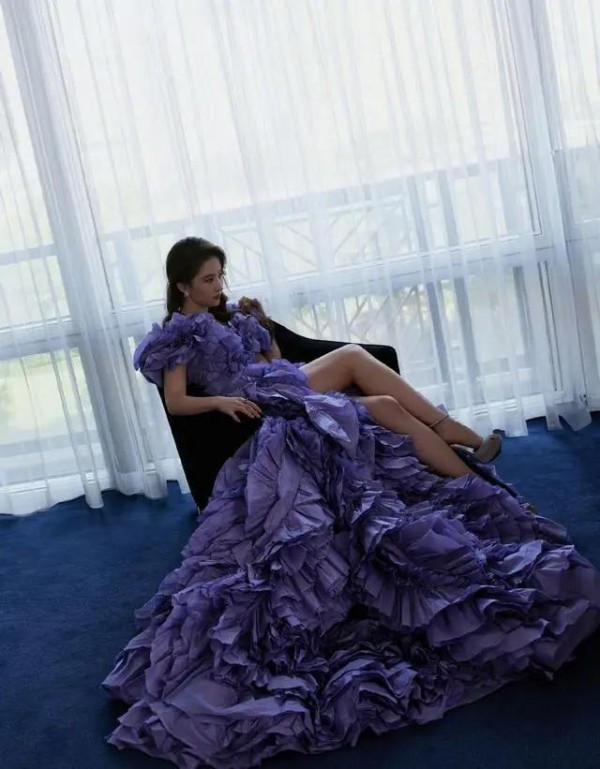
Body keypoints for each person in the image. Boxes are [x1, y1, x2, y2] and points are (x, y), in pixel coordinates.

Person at [103, 237, 600, 769]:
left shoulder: (228, 315)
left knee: (383, 403)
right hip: (259, 405)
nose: (219, 286)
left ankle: (479, 472)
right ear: (182, 285)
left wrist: (261, 331)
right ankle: (454, 432)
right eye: (208, 279)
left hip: (278, 385)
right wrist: (222, 400)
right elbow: (177, 401)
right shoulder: (177, 334)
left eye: (220, 275)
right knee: (355, 360)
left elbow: (273, 361)